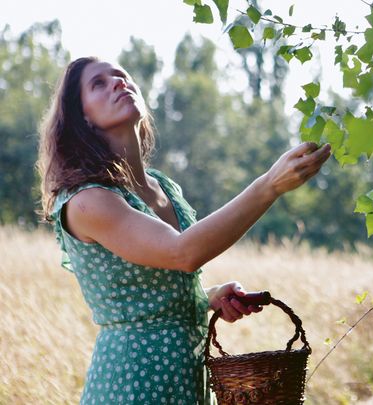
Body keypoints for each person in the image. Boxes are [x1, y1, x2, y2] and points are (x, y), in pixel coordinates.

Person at [36, 56, 332, 404]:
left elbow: (157, 288)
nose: (118, 83)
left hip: (188, 375)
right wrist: (269, 185)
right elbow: (182, 252)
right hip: (132, 381)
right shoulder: (88, 200)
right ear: (81, 115)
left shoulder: (163, 186)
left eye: (121, 76)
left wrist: (206, 298)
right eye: (98, 83)